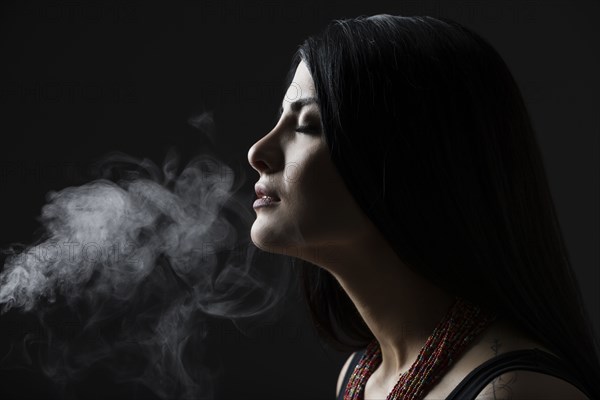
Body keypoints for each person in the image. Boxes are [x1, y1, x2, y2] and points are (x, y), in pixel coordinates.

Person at [247, 14, 599, 399]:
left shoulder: (513, 393)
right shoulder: (360, 378)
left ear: (405, 163)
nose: (257, 152)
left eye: (308, 125)